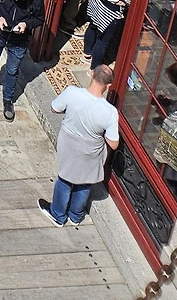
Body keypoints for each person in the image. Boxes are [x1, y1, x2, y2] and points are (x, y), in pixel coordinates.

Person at [40, 66, 120, 227]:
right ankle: (75, 216)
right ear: (109, 85)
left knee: (65, 180)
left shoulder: (72, 93)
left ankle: (58, 214)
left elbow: (54, 108)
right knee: (85, 183)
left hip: (69, 144)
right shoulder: (110, 112)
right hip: (91, 151)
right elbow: (113, 143)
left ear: (92, 74)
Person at [82, 0, 134, 67]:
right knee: (102, 42)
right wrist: (123, 3)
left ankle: (86, 53)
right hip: (108, 14)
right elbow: (132, 1)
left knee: (92, 27)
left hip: (96, 3)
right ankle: (95, 67)